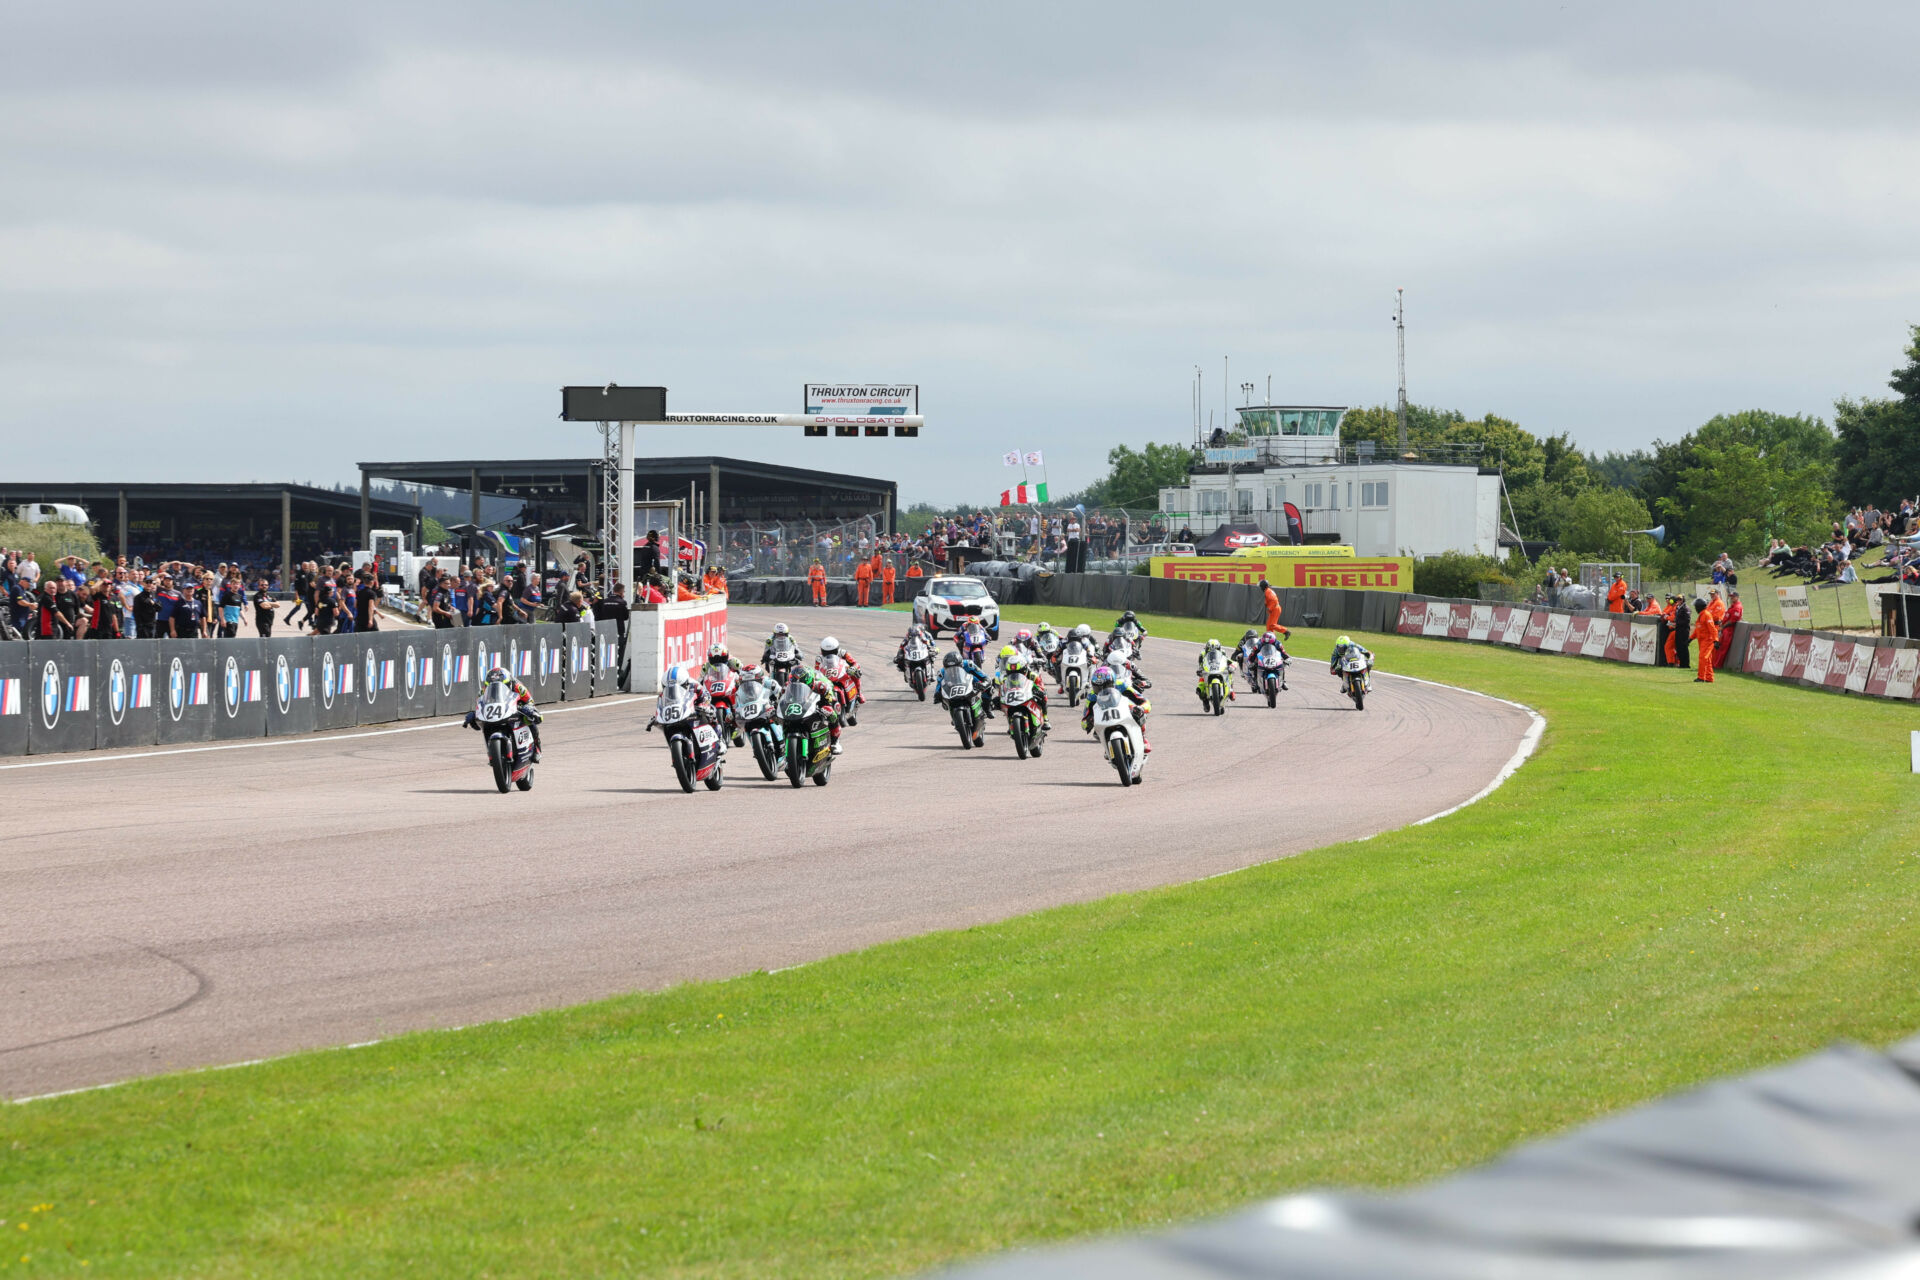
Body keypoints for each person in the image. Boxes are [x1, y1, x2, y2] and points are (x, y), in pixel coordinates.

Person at [1080, 662, 1151, 752]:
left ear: (1112, 682)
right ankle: (1108, 747)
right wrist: (1089, 721)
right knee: (1096, 733)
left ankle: (1143, 738)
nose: (1102, 690)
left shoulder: (1121, 685)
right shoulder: (1091, 696)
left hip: (1124, 711)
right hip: (1104, 720)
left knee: (1138, 712)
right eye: (1097, 687)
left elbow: (1144, 701)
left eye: (1105, 686)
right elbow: (1084, 721)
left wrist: (1142, 708)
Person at [998, 650, 1050, 726]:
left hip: (1029, 696)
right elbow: (1002, 690)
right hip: (1014, 699)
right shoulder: (1005, 679)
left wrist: (1038, 690)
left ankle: (1045, 718)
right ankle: (1011, 723)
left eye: (1018, 672)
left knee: (1044, 696)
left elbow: (1041, 686)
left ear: (1024, 669)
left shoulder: (1033, 675)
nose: (1015, 675)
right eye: (1012, 673)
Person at [817, 635, 863, 705]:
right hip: (827, 675)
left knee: (855, 672)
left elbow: (855, 663)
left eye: (832, 652)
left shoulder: (843, 653)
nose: (829, 654)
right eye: (826, 652)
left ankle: (859, 694)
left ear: (836, 649)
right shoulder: (819, 658)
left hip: (842, 671)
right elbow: (816, 670)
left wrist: (853, 668)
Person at [1196, 638, 1236, 705]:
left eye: (1216, 649)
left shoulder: (1223, 652)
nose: (1213, 651)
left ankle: (1231, 690)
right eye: (1210, 649)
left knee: (1229, 673)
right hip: (1207, 670)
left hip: (1219, 668)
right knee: (1199, 689)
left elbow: (1228, 660)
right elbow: (1200, 664)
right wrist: (1200, 670)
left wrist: (1232, 666)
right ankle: (1205, 701)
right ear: (1206, 648)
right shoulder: (1202, 654)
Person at [1690, 596, 1717, 683]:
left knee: (1702, 658)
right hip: (1702, 641)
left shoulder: (1706, 615)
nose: (1695, 609)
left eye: (1695, 607)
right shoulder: (1701, 615)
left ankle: (1701, 677)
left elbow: (1712, 629)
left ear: (1699, 607)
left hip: (1707, 641)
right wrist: (1690, 639)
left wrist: (1716, 640)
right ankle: (1709, 678)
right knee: (1707, 659)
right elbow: (1698, 629)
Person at [1715, 589, 1744, 669]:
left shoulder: (1737, 607)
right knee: (1719, 647)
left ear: (1737, 597)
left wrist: (1723, 626)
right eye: (1731, 597)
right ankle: (1716, 664)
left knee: (1722, 648)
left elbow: (1732, 621)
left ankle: (1717, 665)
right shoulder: (1732, 606)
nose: (1731, 599)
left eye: (1733, 597)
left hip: (1729, 630)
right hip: (1725, 629)